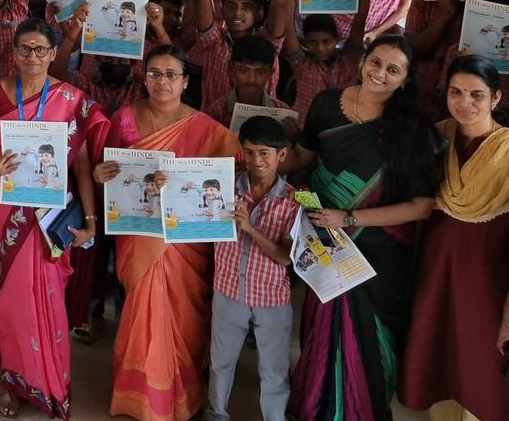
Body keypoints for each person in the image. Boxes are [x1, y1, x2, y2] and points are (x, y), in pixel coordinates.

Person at [281, 35, 443, 421]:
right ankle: (316, 408)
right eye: (376, 63)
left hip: (380, 252)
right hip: (324, 240)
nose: (380, 74)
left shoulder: (413, 132)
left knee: (371, 337)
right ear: (363, 61)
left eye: (393, 70)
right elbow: (305, 156)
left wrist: (350, 219)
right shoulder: (326, 104)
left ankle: (364, 411)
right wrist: (257, 165)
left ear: (405, 80)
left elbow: (422, 207)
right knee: (321, 327)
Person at [95, 45, 240, 421]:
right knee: (141, 311)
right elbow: (107, 169)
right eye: (154, 74)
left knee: (185, 318)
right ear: (144, 79)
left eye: (170, 74)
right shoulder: (123, 119)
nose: (162, 81)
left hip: (185, 243)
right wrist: (100, 175)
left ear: (185, 81)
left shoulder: (208, 129)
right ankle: (140, 397)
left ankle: (183, 396)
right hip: (138, 234)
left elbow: (234, 175)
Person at [0, 18, 99, 419]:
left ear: (54, 52)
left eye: (41, 49)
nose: (33, 57)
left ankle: (50, 381)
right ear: (14, 52)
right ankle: (13, 380)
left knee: (48, 300)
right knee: (10, 299)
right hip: (3, 205)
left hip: (50, 212)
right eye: (25, 49)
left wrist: (91, 218)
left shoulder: (72, 99)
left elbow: (81, 165)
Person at [400, 55, 509, 421]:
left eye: (477, 95)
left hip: (487, 268)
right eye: (456, 92)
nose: (465, 103)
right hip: (435, 260)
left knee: (482, 350)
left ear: (496, 97)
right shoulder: (437, 136)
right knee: (436, 337)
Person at [205, 116, 300, 421]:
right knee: (221, 361)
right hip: (228, 290)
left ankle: (275, 417)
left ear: (281, 155)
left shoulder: (293, 202)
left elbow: (286, 258)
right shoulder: (224, 187)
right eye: (249, 152)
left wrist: (249, 227)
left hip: (272, 298)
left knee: (273, 369)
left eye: (265, 153)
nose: (256, 161)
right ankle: (216, 413)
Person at [201, 35, 294, 132]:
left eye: (260, 72)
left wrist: (294, 137)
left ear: (270, 73)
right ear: (231, 70)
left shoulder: (282, 112)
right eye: (243, 71)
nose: (251, 80)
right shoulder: (215, 113)